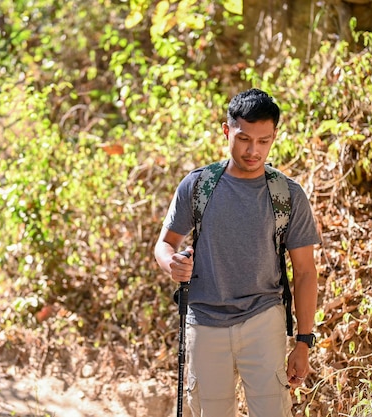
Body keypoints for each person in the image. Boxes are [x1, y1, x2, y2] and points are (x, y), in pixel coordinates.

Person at [154, 88, 321, 417]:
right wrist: (171, 264)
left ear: (274, 137)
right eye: (244, 139)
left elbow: (305, 272)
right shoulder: (198, 185)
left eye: (264, 141)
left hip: (264, 318)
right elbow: (165, 243)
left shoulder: (287, 194)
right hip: (204, 321)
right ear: (226, 130)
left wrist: (304, 341)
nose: (253, 150)